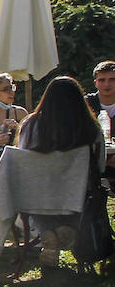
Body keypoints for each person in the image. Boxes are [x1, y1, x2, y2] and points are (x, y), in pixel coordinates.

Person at [18, 75, 105, 265]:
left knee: (39, 197)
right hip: (77, 193)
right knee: (75, 197)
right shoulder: (91, 127)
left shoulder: (30, 124)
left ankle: (48, 234)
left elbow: (22, 159)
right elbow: (100, 164)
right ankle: (68, 229)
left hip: (40, 191)